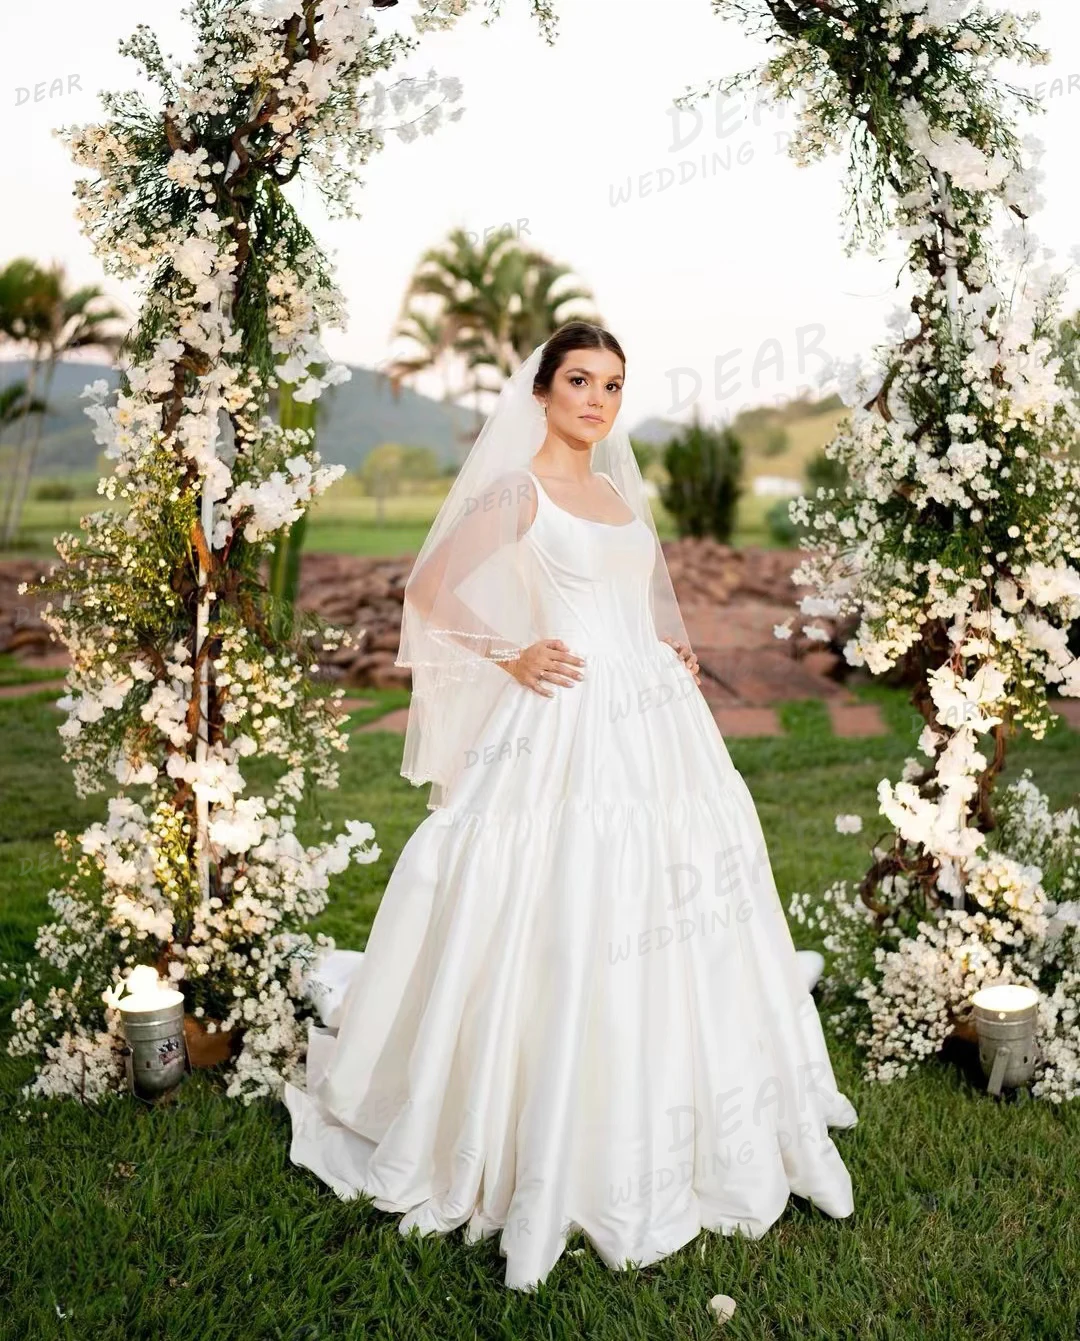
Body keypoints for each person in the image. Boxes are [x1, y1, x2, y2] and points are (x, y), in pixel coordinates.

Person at [282, 320, 857, 1291]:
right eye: (581, 380)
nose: (598, 400)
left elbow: (643, 598)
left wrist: (668, 647)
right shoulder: (518, 490)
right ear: (541, 391)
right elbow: (430, 588)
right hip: (564, 718)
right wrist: (513, 652)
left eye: (614, 386)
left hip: (656, 718)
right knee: (562, 898)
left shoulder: (618, 494)